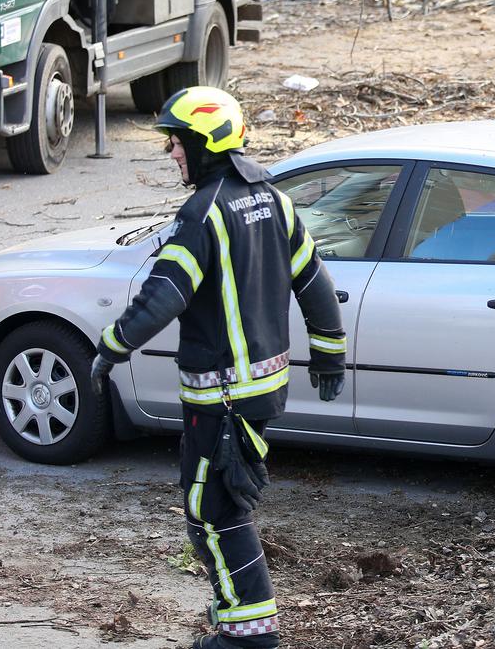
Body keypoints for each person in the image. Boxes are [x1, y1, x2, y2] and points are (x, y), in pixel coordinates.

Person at [91, 87, 345, 649]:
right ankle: (240, 621)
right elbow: (314, 281)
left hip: (222, 395)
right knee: (221, 504)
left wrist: (111, 345)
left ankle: (249, 635)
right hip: (260, 389)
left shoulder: (203, 211)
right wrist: (329, 352)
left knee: (214, 509)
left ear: (205, 143)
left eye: (178, 142)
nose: (172, 153)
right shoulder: (272, 200)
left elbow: (165, 294)